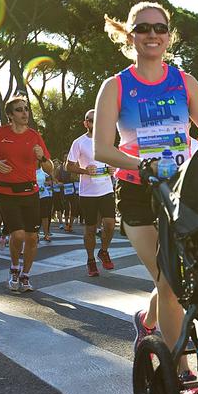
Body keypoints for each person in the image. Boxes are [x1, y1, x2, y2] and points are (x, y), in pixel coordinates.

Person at [94, 1, 198, 394]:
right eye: (143, 28)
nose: (152, 34)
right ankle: (183, 371)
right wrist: (142, 164)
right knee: (169, 281)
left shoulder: (184, 82)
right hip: (136, 192)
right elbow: (102, 149)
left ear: (169, 35)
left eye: (159, 28)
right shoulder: (115, 86)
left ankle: (147, 322)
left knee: (170, 282)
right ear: (129, 35)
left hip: (183, 191)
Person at [0, 95, 53, 292]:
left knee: (32, 238)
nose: (25, 113)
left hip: (30, 192)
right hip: (7, 193)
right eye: (19, 109)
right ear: (10, 115)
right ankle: (14, 268)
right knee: (19, 234)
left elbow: (50, 168)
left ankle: (25, 275)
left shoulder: (35, 136)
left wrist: (42, 158)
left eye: (26, 109)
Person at [67, 108, 117, 277]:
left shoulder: (107, 140)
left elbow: (114, 161)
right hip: (88, 192)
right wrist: (84, 170)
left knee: (110, 224)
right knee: (90, 228)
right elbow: (69, 166)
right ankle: (90, 260)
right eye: (91, 120)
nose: (94, 123)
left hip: (106, 188)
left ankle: (103, 251)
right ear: (85, 123)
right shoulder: (79, 142)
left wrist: (113, 168)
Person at [37, 164, 54, 242]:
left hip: (44, 195)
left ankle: (46, 234)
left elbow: (50, 181)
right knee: (35, 216)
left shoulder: (43, 170)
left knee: (45, 216)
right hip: (33, 196)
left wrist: (48, 183)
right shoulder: (29, 170)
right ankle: (36, 234)